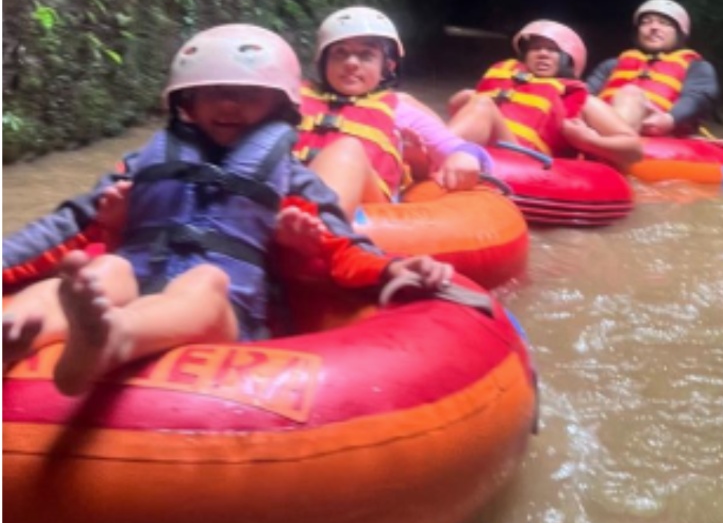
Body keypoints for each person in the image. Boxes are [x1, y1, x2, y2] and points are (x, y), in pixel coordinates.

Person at [1, 25, 449, 396]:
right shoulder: (145, 164)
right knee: (105, 271)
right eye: (213, 92)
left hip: (229, 315)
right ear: (186, 104)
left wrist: (392, 270)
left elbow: (341, 242)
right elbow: (64, 225)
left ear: (279, 106)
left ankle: (114, 337)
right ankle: (17, 331)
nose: (229, 104)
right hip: (139, 279)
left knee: (205, 281)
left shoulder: (290, 176)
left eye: (246, 94)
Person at [297, 6, 493, 214]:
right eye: (340, 53)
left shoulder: (399, 109)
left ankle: (322, 225)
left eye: (366, 55)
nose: (351, 63)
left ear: (386, 68)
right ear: (323, 62)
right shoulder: (293, 96)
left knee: (347, 151)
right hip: (290, 189)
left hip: (368, 203)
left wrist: (464, 156)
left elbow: (460, 148)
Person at [446, 20, 643, 169]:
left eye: (552, 50)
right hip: (489, 151)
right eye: (535, 48)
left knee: (482, 105)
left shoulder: (584, 101)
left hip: (525, 164)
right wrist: (461, 101)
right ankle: (437, 156)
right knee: (472, 99)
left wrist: (590, 141)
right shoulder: (506, 83)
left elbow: (634, 150)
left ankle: (435, 156)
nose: (542, 54)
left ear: (569, 59)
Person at [584, 0, 721, 138]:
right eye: (645, 22)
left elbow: (697, 98)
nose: (654, 27)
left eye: (664, 23)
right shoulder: (612, 64)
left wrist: (669, 119)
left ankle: (613, 143)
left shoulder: (696, 66)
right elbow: (585, 95)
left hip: (661, 131)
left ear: (679, 33)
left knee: (631, 94)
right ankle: (608, 140)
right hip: (597, 124)